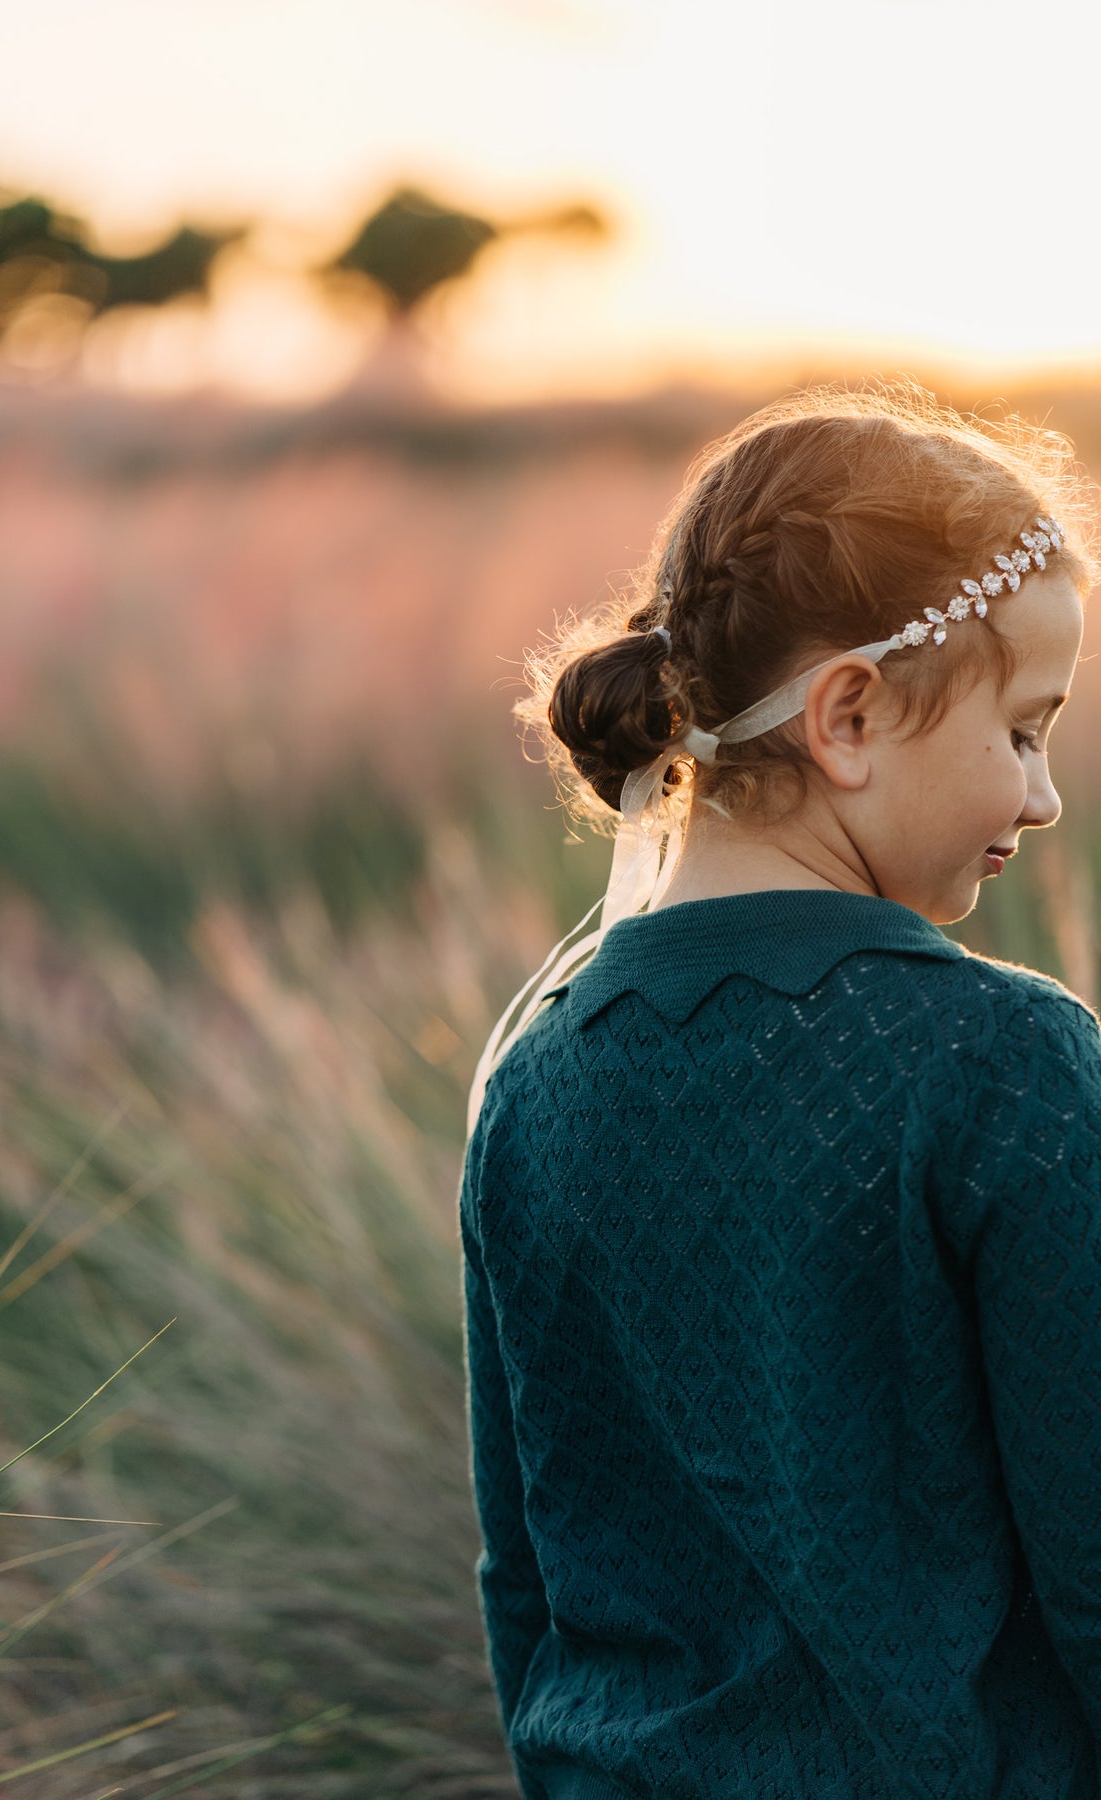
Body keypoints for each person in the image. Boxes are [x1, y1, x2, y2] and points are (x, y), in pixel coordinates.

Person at [457, 380, 1101, 1799]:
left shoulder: (534, 1076)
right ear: (852, 715)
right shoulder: (1005, 1061)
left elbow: (526, 1572)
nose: (1044, 798)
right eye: (1025, 731)